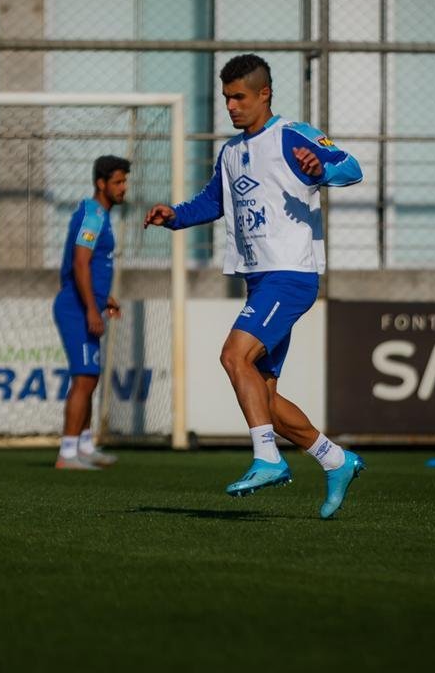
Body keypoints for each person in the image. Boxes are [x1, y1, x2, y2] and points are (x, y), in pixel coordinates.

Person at [144, 54, 365, 519]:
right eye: (226, 98)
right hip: (258, 278)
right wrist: (175, 216)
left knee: (233, 356)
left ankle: (268, 458)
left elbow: (352, 167)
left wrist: (320, 171)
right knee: (264, 397)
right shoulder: (231, 152)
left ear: (265, 94)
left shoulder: (292, 135)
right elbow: (213, 202)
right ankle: (335, 459)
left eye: (239, 97)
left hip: (291, 274)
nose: (231, 106)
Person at [53, 155, 131, 470]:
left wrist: (103, 299)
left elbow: (91, 266)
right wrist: (90, 309)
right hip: (76, 307)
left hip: (84, 303)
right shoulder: (93, 215)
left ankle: (84, 446)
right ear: (101, 183)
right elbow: (80, 263)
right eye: (118, 182)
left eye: (125, 181)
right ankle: (67, 453)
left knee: (90, 378)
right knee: (83, 379)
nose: (123, 188)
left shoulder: (99, 215)